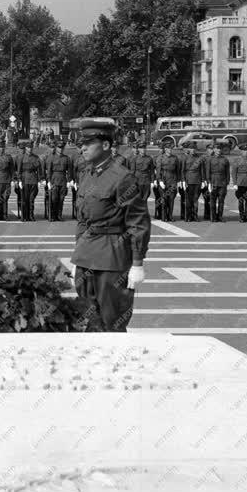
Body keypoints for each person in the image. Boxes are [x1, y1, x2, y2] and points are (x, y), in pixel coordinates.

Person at [72, 118, 150, 332]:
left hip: (112, 259)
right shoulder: (86, 175)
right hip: (86, 257)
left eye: (89, 143)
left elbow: (138, 223)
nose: (83, 148)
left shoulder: (122, 178)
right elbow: (82, 220)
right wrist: (78, 252)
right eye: (81, 143)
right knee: (87, 322)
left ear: (105, 145)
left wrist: (137, 263)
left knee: (111, 322)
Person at [16, 139, 43, 222]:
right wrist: (19, 180)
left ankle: (31, 215)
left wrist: (39, 180)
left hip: (33, 180)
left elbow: (39, 170)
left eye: (31, 147)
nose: (30, 149)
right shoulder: (21, 157)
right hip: (24, 179)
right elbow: (19, 170)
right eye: (28, 147)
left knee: (31, 199)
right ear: (26, 148)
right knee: (24, 199)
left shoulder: (36, 157)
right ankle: (24, 216)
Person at [45, 139, 72, 222]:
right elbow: (49, 171)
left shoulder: (66, 158)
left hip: (63, 179)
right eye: (59, 147)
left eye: (62, 148)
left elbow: (69, 170)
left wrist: (69, 181)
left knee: (61, 199)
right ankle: (52, 215)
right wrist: (49, 181)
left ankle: (59, 215)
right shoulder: (51, 158)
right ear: (56, 148)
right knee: (53, 199)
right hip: (54, 179)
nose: (60, 149)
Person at [155, 144, 180, 222]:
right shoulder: (160, 158)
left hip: (172, 180)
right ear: (165, 149)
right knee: (164, 199)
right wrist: (160, 181)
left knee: (171, 199)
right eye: (168, 148)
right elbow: (158, 170)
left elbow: (177, 170)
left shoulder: (175, 158)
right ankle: (163, 216)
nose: (170, 150)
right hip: (164, 180)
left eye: (171, 148)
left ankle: (170, 216)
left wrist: (178, 181)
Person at [182, 147, 205, 222]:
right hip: (188, 180)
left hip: (197, 181)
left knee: (195, 199)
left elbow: (202, 170)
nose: (193, 150)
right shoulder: (185, 158)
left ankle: (195, 215)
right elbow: (183, 171)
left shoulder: (199, 158)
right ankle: (188, 216)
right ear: (189, 150)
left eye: (194, 149)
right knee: (188, 200)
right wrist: (183, 181)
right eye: (191, 149)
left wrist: (203, 181)